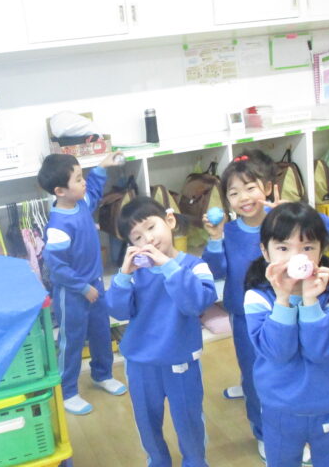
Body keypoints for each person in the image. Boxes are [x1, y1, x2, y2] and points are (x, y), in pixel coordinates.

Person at [201, 150, 329, 463]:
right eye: (234, 193)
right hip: (244, 314)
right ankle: (262, 430)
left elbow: (328, 230)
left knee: (287, 365)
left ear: (268, 188)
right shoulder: (230, 231)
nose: (243, 198)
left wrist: (290, 209)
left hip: (289, 307)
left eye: (250, 188)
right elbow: (215, 271)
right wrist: (214, 239)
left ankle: (290, 417)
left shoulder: (283, 226)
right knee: (253, 371)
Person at [244, 202, 329, 467]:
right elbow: (277, 353)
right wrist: (282, 300)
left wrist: (310, 302)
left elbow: (322, 352)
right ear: (265, 251)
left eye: (307, 248)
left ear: (320, 252)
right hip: (280, 408)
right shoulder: (258, 298)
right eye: (283, 248)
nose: (296, 257)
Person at [105, 197, 217, 467]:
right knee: (146, 420)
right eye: (137, 237)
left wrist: (167, 266)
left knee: (188, 419)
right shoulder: (135, 273)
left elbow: (197, 303)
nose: (148, 239)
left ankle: (195, 461)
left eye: (151, 227)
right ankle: (157, 460)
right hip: (140, 363)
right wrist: (123, 275)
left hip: (181, 361)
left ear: (170, 221)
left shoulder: (195, 266)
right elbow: (118, 311)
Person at [38, 152, 127, 415]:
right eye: (78, 179)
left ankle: (102, 374)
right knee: (72, 341)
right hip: (72, 293)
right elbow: (57, 268)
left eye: (82, 175)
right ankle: (67, 391)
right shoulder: (58, 226)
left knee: (101, 333)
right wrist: (82, 287)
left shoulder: (82, 203)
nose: (83, 181)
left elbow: (95, 190)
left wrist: (101, 167)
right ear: (60, 191)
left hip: (95, 285)